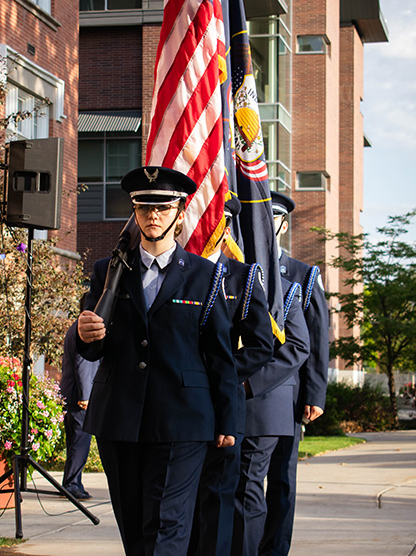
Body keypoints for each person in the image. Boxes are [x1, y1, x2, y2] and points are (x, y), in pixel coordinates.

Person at [75, 166, 239, 556]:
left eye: (163, 208)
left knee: (166, 527)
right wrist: (85, 334)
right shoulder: (107, 271)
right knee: (134, 529)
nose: (152, 216)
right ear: (134, 211)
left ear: (180, 213)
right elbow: (93, 348)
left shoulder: (205, 276)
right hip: (120, 419)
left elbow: (220, 354)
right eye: (143, 207)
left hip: (182, 420)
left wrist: (229, 418)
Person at [189, 195, 273, 556]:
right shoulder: (178, 272)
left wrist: (217, 374)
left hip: (222, 405)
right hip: (178, 405)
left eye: (215, 219)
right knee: (179, 502)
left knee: (219, 500)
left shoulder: (242, 276)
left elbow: (260, 344)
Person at [256, 191, 330, 556]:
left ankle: (275, 549)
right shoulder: (242, 270)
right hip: (248, 395)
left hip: (290, 395)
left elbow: (316, 339)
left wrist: (315, 395)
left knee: (282, 480)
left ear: (283, 224)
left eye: (273, 219)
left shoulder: (303, 274)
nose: (266, 225)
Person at [232, 277, 310, 555]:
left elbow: (299, 346)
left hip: (261, 402)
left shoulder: (284, 288)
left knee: (246, 488)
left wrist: (247, 384)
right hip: (208, 401)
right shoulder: (208, 277)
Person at [61, 293, 100, 500]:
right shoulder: (83, 331)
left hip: (73, 393)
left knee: (76, 441)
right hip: (79, 396)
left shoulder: (75, 327)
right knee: (79, 441)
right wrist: (85, 395)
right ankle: (72, 484)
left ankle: (72, 481)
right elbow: (83, 363)